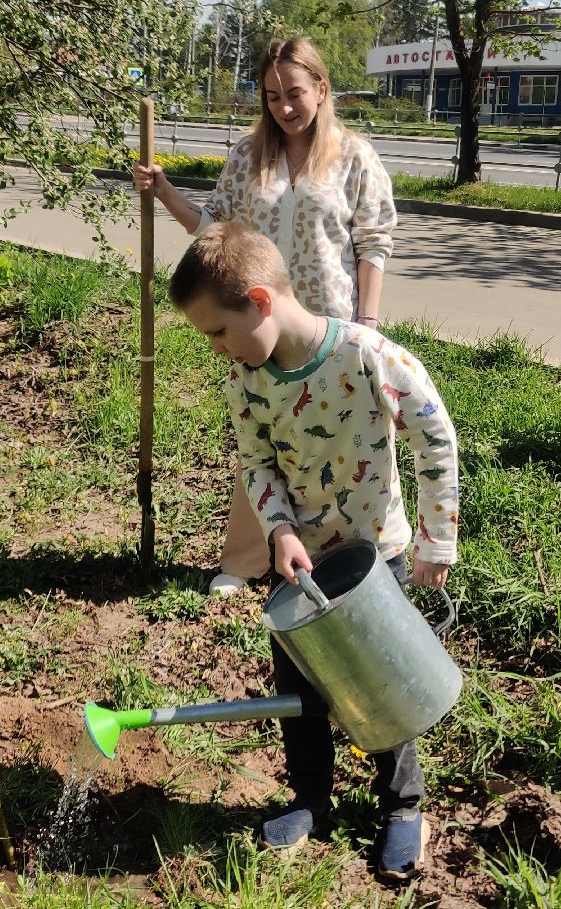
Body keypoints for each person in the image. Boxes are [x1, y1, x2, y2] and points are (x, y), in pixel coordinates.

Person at [168, 220, 459, 881]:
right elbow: (256, 462)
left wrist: (438, 536)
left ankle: (403, 805)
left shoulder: (365, 354)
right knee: (299, 690)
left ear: (261, 303)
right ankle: (310, 799)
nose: (216, 349)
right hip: (297, 565)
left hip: (371, 563)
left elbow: (434, 435)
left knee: (379, 685)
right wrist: (279, 530)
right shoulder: (247, 379)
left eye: (218, 330)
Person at [134, 37, 397, 595]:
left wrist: (367, 324)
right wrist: (162, 191)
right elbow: (216, 227)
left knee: (340, 443)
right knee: (263, 435)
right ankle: (248, 557)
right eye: (272, 96)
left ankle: (348, 555)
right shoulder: (248, 155)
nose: (284, 107)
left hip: (329, 327)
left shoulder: (355, 157)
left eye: (295, 93)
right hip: (254, 322)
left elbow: (373, 242)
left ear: (322, 89)